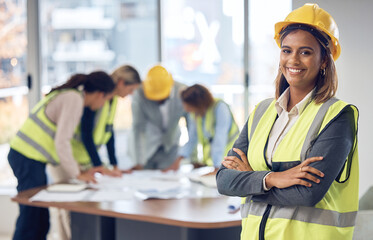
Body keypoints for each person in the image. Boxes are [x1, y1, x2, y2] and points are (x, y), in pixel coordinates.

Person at [216, 3, 359, 240]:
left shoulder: (336, 116)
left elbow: (307, 193)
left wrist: (251, 180)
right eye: (286, 50)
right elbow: (223, 180)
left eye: (305, 52)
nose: (293, 60)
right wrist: (273, 178)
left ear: (324, 60)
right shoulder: (261, 112)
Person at [8, 71, 115, 240]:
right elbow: (62, 142)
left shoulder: (72, 96)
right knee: (31, 219)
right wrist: (78, 174)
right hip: (26, 157)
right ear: (100, 94)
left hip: (30, 158)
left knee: (41, 220)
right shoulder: (74, 99)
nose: (103, 105)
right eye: (106, 100)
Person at [169, 84, 239, 174]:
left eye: (188, 106)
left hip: (232, 159)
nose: (186, 109)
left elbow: (219, 139)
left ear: (196, 103)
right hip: (219, 164)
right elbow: (192, 138)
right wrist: (178, 159)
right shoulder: (196, 113)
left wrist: (217, 167)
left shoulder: (220, 108)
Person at [128, 65, 187, 170]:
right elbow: (138, 128)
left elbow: (193, 125)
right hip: (147, 148)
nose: (158, 100)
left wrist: (189, 156)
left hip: (170, 146)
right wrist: (138, 161)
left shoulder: (183, 92)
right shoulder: (139, 94)